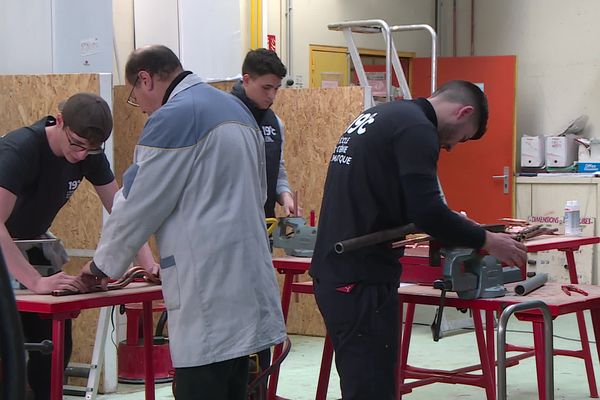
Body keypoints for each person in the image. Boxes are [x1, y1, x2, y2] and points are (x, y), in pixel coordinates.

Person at [79, 45, 287, 400]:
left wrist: (98, 268)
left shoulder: (174, 117)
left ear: (145, 79)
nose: (141, 107)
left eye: (135, 96)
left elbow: (136, 206)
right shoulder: (236, 109)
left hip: (206, 292)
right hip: (247, 289)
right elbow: (258, 192)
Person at [309, 80, 528, 400]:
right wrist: (488, 240)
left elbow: (389, 200)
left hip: (340, 274)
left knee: (365, 384)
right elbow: (428, 213)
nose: (451, 147)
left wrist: (451, 221)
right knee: (371, 389)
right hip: (360, 280)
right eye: (462, 137)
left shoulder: (383, 116)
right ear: (463, 112)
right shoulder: (417, 129)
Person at [0, 92, 158, 400]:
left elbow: (123, 213)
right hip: (6, 244)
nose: (81, 155)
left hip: (27, 245)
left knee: (55, 345)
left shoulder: (88, 153)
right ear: (59, 122)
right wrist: (34, 280)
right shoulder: (20, 150)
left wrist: (148, 264)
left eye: (91, 149)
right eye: (76, 144)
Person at [231, 48, 296, 218]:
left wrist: (285, 195)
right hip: (229, 226)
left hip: (265, 223)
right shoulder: (223, 118)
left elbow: (277, 168)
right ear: (246, 80)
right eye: (266, 88)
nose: (272, 96)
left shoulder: (275, 123)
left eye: (276, 88)